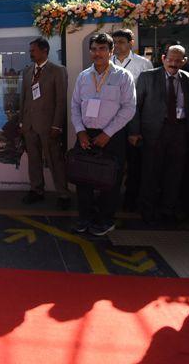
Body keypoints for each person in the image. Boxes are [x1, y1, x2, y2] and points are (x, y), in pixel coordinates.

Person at [70, 33, 136, 235]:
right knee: (83, 178)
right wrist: (80, 131)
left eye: (102, 49)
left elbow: (129, 108)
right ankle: (84, 218)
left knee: (110, 180)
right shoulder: (83, 77)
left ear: (111, 51)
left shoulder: (123, 76)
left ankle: (106, 219)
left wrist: (107, 133)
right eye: (94, 49)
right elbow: (75, 106)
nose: (97, 53)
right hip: (86, 135)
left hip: (112, 135)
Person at [129, 45, 189, 224]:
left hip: (179, 131)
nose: (174, 64)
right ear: (163, 58)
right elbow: (135, 106)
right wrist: (134, 131)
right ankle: (147, 211)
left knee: (174, 173)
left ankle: (167, 210)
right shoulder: (147, 77)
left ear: (184, 61)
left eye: (178, 61)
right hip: (153, 131)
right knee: (150, 172)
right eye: (170, 59)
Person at [19, 37, 71, 209]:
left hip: (49, 126)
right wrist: (22, 123)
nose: (30, 53)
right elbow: (24, 99)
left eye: (33, 50)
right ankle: (36, 190)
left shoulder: (58, 71)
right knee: (33, 160)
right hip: (29, 125)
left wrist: (57, 125)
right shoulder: (27, 71)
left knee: (55, 160)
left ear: (44, 51)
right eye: (30, 51)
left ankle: (63, 194)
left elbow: (61, 100)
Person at [110, 29, 153, 212]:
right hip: (110, 119)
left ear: (131, 43)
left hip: (134, 119)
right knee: (112, 161)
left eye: (121, 41)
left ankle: (131, 198)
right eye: (115, 42)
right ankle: (109, 197)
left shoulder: (144, 63)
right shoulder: (106, 62)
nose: (118, 45)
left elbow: (149, 93)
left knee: (134, 162)